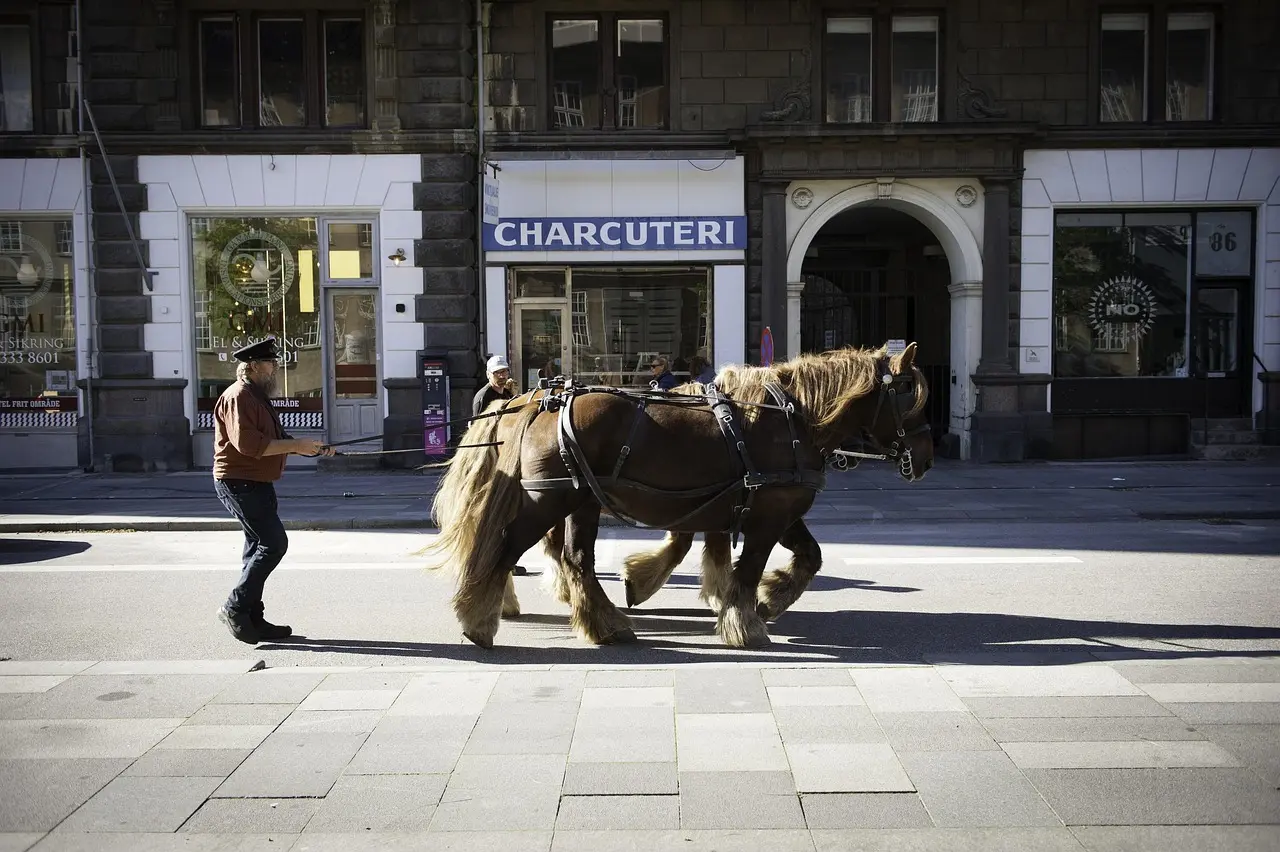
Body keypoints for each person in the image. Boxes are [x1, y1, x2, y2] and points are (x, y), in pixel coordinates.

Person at [213, 337, 333, 645]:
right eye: (270, 363)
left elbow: (276, 438)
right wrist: (296, 446)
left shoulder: (256, 395)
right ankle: (234, 607)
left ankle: (254, 616)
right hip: (239, 481)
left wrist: (311, 448)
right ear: (252, 366)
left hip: (256, 481)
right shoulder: (239, 396)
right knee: (273, 543)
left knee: (256, 548)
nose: (275, 368)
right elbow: (249, 445)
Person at [469, 353, 530, 576]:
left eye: (504, 372)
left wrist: (515, 396)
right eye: (498, 373)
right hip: (492, 458)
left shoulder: (506, 392)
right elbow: (478, 433)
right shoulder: (482, 397)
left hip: (508, 453)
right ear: (489, 375)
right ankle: (496, 560)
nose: (503, 376)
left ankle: (508, 560)